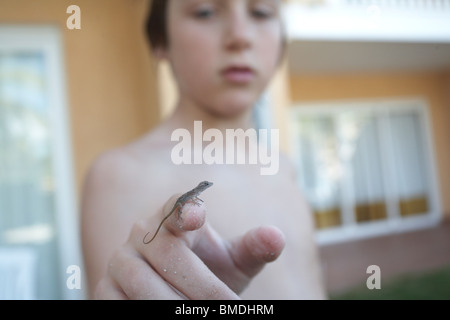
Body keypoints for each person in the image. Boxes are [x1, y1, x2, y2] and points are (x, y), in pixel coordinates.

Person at [81, 0, 326, 299]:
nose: (240, 36)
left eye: (261, 12)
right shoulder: (117, 174)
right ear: (161, 40)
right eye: (205, 11)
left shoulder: (283, 167)